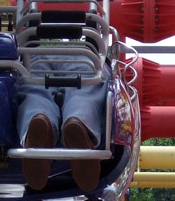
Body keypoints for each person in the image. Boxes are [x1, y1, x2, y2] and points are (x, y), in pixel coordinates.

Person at [17, 59, 109, 192]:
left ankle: (38, 117)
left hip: (33, 54)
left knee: (34, 93)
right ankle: (78, 120)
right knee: (84, 93)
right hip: (83, 55)